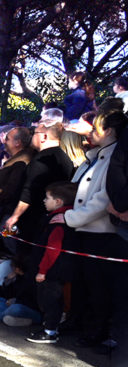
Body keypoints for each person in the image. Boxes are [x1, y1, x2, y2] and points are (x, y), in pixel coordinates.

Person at [63, 105, 125, 350]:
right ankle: (83, 323)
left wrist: (72, 217)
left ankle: (97, 331)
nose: (89, 133)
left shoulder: (113, 158)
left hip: (100, 230)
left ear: (108, 131)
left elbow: (102, 199)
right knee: (86, 282)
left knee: (99, 286)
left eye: (96, 128)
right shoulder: (100, 155)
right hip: (87, 229)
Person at [2, 111, 74, 245]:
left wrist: (15, 216)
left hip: (33, 221)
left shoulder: (41, 160)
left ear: (44, 137)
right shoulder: (64, 158)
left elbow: (28, 192)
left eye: (35, 133)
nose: (31, 137)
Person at [26, 181, 78, 343]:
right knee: (50, 299)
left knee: (51, 300)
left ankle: (50, 331)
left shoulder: (58, 221)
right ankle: (49, 326)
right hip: (55, 269)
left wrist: (43, 270)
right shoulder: (60, 217)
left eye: (47, 198)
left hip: (54, 270)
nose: (44, 200)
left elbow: (53, 248)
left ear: (58, 202)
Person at [0, 126, 34, 227]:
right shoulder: (17, 157)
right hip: (1, 212)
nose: (4, 141)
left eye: (7, 139)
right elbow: (2, 154)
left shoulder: (21, 163)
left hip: (6, 214)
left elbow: (7, 192)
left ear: (17, 143)